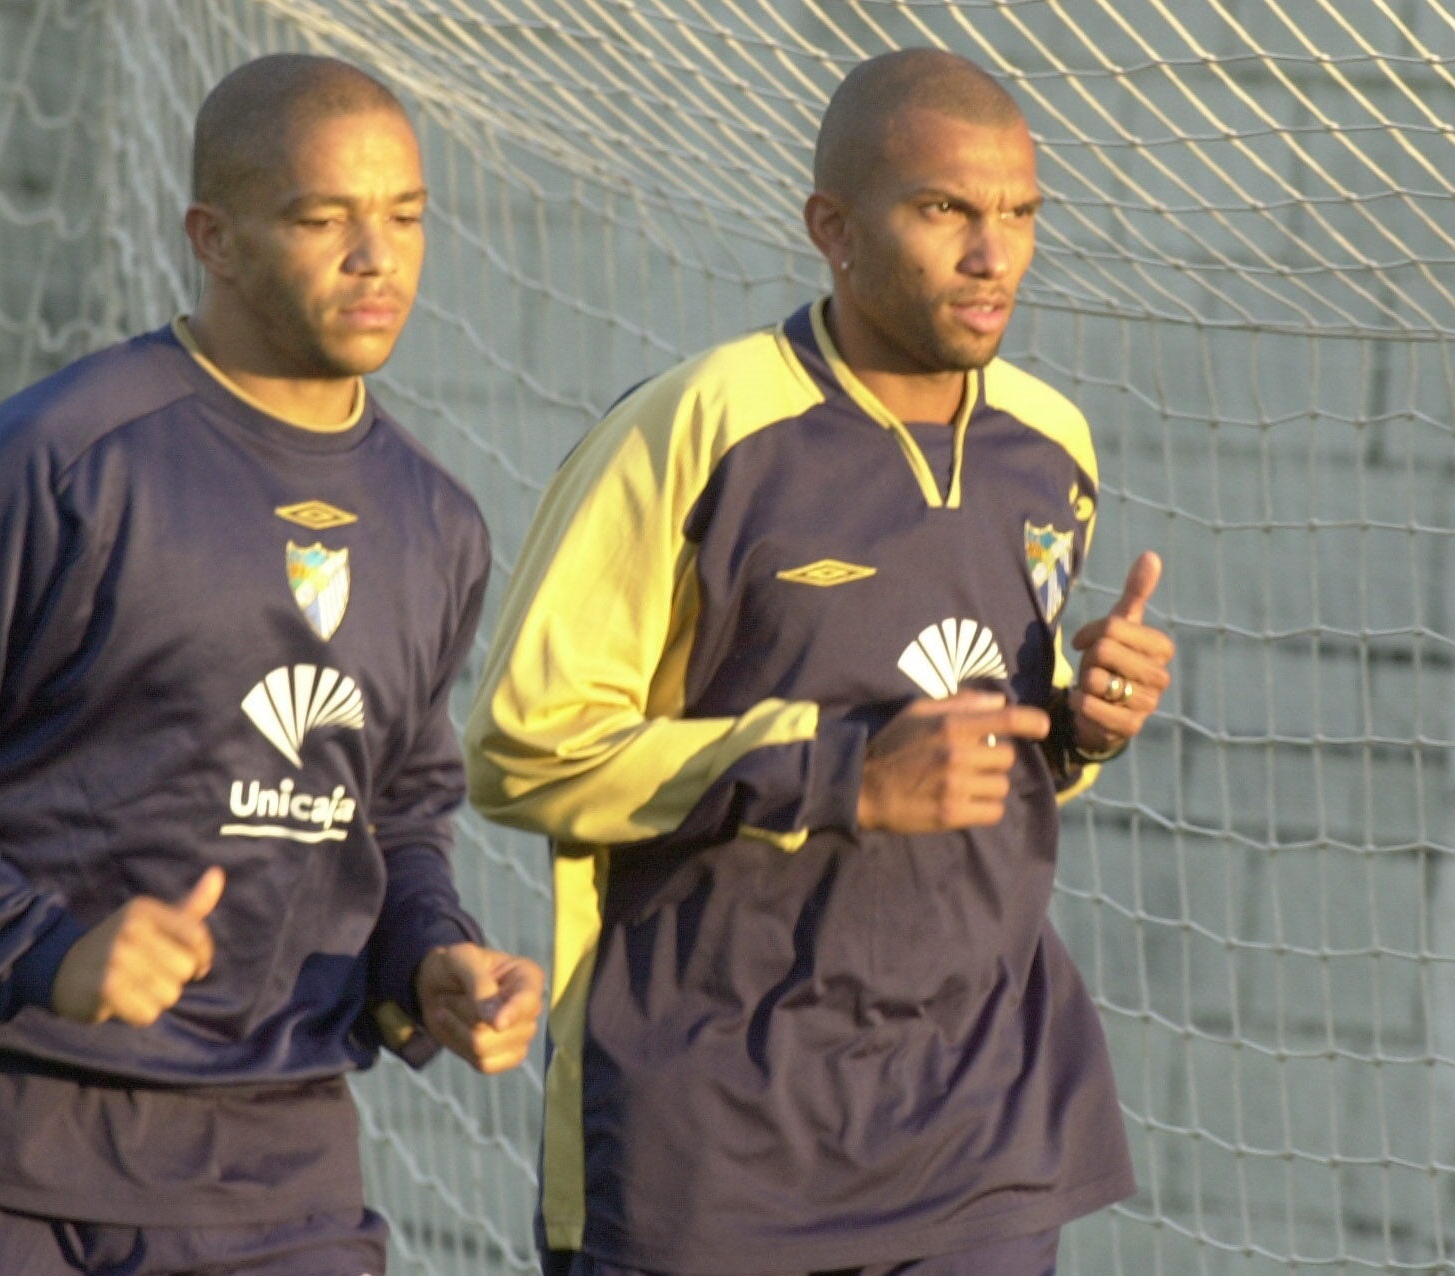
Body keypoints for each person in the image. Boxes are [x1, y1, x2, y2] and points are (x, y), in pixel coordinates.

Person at [0, 52, 543, 1276]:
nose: (378, 258)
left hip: (277, 1181)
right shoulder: (57, 458)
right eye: (323, 218)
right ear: (216, 237)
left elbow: (396, 805)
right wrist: (43, 949)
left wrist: (429, 955)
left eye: (404, 216)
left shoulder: (437, 520)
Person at [463, 47, 1175, 1276]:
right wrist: (837, 774)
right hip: (721, 1132)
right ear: (831, 227)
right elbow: (522, 752)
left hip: (982, 1118)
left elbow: (989, 762)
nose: (991, 254)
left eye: (1017, 215)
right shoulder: (697, 429)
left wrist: (1080, 727)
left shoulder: (1050, 442)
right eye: (944, 210)